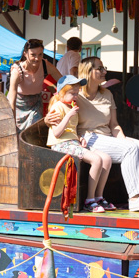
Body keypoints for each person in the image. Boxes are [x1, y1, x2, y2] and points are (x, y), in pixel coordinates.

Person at [46, 57, 139, 212]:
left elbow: (114, 125)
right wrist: (47, 119)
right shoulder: (75, 94)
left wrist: (123, 141)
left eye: (103, 67)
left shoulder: (107, 94)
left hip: (107, 136)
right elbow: (58, 104)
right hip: (88, 137)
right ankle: (135, 198)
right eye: (100, 68)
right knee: (130, 149)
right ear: (88, 71)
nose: (104, 71)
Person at [46, 75, 114, 213]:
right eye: (72, 93)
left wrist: (79, 137)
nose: (75, 96)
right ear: (61, 94)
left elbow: (71, 130)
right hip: (61, 144)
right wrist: (69, 115)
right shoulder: (58, 106)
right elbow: (57, 133)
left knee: (106, 159)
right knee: (96, 160)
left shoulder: (71, 107)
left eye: (77, 93)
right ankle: (89, 200)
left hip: (73, 142)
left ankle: (99, 196)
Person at [7, 38, 62, 131]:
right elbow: (12, 99)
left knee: (35, 130)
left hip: (36, 102)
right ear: (25, 53)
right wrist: (11, 121)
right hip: (19, 104)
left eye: (40, 54)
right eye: (33, 55)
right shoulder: (17, 70)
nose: (37, 58)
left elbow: (62, 80)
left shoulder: (45, 65)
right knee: (18, 133)